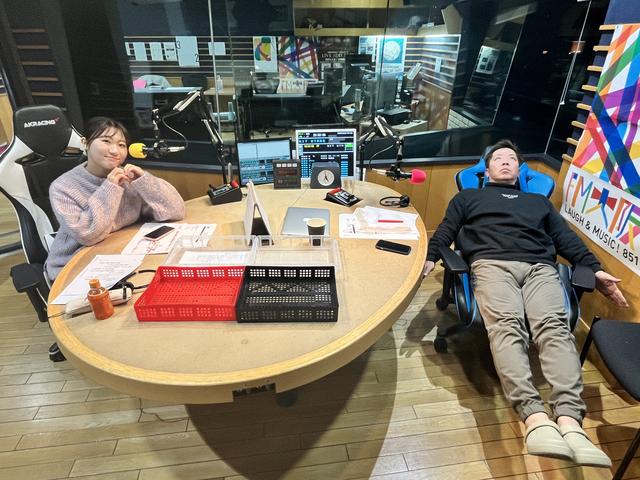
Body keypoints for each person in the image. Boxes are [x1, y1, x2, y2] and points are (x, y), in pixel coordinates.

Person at [423, 139, 628, 467]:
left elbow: (567, 240)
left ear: (519, 170)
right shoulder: (468, 198)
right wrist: (430, 258)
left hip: (540, 268)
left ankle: (570, 422)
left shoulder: (539, 203)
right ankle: (534, 417)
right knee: (507, 326)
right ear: (487, 169)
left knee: (555, 329)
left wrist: (596, 269)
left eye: (511, 159)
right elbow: (446, 230)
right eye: (498, 158)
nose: (505, 161)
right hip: (491, 263)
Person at [44, 117, 186, 281]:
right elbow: (88, 235)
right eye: (106, 141)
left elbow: (176, 211)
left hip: (122, 255)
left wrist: (144, 180)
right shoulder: (62, 187)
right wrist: (110, 188)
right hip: (74, 265)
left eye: (121, 145)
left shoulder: (128, 178)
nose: (115, 151)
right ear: (85, 142)